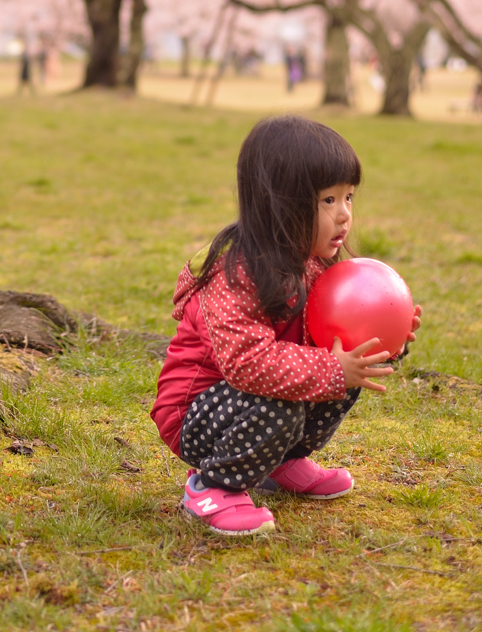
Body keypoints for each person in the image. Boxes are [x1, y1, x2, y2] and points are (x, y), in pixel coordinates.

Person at [150, 115, 421, 536]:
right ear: (279, 203)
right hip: (196, 415)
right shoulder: (238, 273)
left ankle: (281, 462)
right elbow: (248, 364)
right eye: (328, 201)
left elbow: (327, 340)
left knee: (343, 374)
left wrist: (386, 336)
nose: (345, 215)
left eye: (348, 197)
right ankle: (213, 485)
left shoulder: (314, 261)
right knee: (299, 387)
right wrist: (333, 368)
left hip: (252, 401)